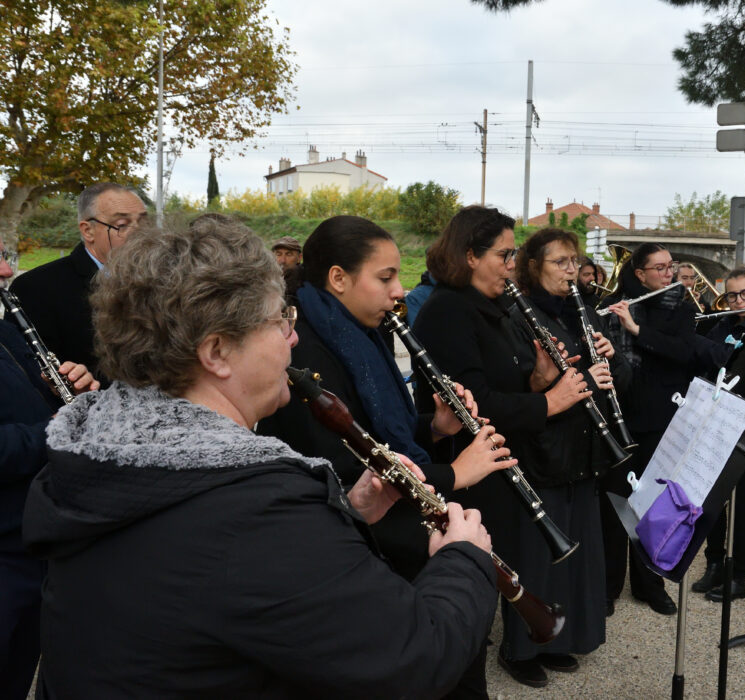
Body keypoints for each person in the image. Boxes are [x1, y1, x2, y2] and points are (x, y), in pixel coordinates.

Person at [21, 219, 498, 698]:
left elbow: (208, 586)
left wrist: (347, 516)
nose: (293, 338)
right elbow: (414, 658)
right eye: (278, 320)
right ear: (217, 352)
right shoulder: (256, 509)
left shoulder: (98, 456)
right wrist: (463, 560)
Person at [257, 215, 509, 582]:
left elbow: (381, 435)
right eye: (385, 277)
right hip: (354, 555)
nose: (399, 290)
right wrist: (453, 475)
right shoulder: (306, 351)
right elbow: (346, 469)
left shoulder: (362, 333)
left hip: (387, 541)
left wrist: (436, 427)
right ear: (338, 278)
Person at [413, 205, 592, 692]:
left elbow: (505, 386)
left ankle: (522, 640)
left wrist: (537, 383)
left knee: (512, 556)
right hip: (470, 465)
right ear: (470, 255)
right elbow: (478, 405)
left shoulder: (489, 308)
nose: (511, 264)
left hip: (501, 456)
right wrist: (550, 403)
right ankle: (482, 661)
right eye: (504, 254)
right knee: (484, 566)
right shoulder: (447, 312)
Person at [494, 227, 627, 687]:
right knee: (535, 557)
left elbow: (618, 379)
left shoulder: (582, 311)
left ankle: (562, 639)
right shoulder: (516, 316)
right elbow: (517, 391)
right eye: (560, 262)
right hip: (541, 450)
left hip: (585, 450)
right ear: (534, 266)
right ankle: (522, 648)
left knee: (574, 556)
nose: (572, 271)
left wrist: (611, 358)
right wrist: (569, 379)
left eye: (575, 261)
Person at [1, 242, 97, 700]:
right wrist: (51, 430)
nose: (5, 270)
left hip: (30, 540)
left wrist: (66, 385)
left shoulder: (6, 330)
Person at [602, 243, 700, 616]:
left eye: (670, 267)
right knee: (615, 504)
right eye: (658, 268)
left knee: (653, 505)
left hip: (659, 417)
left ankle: (649, 584)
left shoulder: (680, 306)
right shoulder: (617, 306)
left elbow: (683, 353)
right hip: (620, 416)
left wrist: (637, 329)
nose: (667, 274)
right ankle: (609, 584)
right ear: (639, 274)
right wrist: (620, 323)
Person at [7, 183, 147, 377]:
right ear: (88, 231)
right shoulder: (36, 288)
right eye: (122, 225)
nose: (140, 233)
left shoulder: (163, 279)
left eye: (144, 222)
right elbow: (29, 378)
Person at [690, 267, 745, 602]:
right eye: (732, 295)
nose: (738, 301)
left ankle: (741, 575)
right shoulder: (720, 325)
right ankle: (714, 562)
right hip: (717, 420)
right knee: (713, 498)